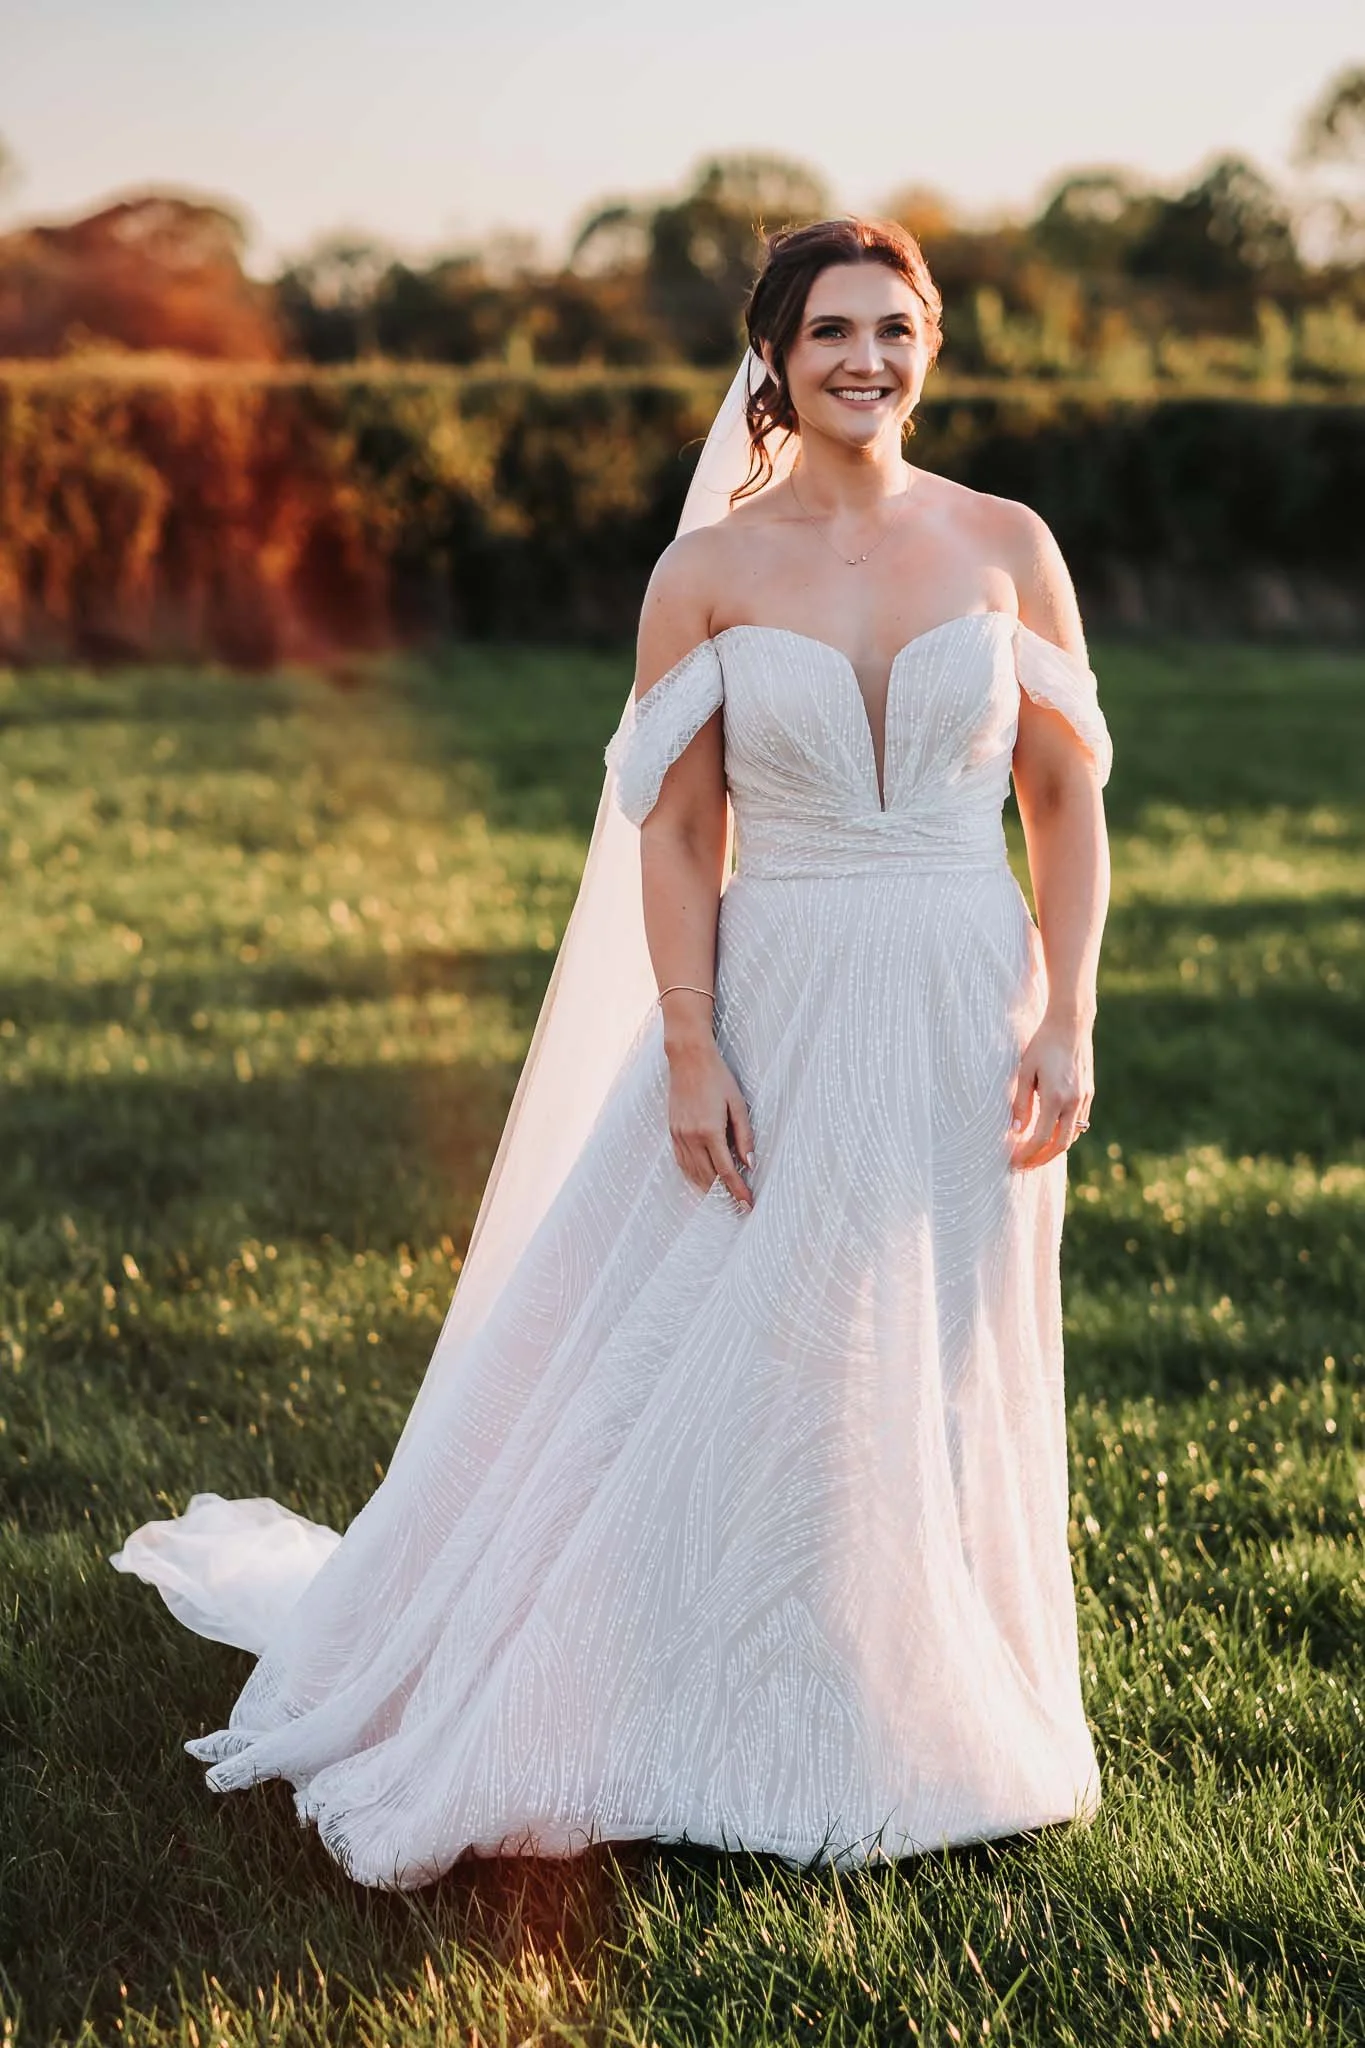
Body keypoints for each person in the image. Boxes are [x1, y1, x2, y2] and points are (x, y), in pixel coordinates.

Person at [112, 216, 1112, 1889]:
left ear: (928, 346)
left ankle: (909, 1686)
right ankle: (654, 1669)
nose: (866, 360)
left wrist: (1070, 1010)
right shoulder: (705, 572)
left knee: (931, 1335)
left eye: (894, 329)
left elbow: (1066, 797)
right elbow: (674, 829)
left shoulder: (1006, 542)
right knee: (735, 1326)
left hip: (961, 989)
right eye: (831, 334)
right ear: (775, 363)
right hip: (778, 979)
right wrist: (691, 1042)